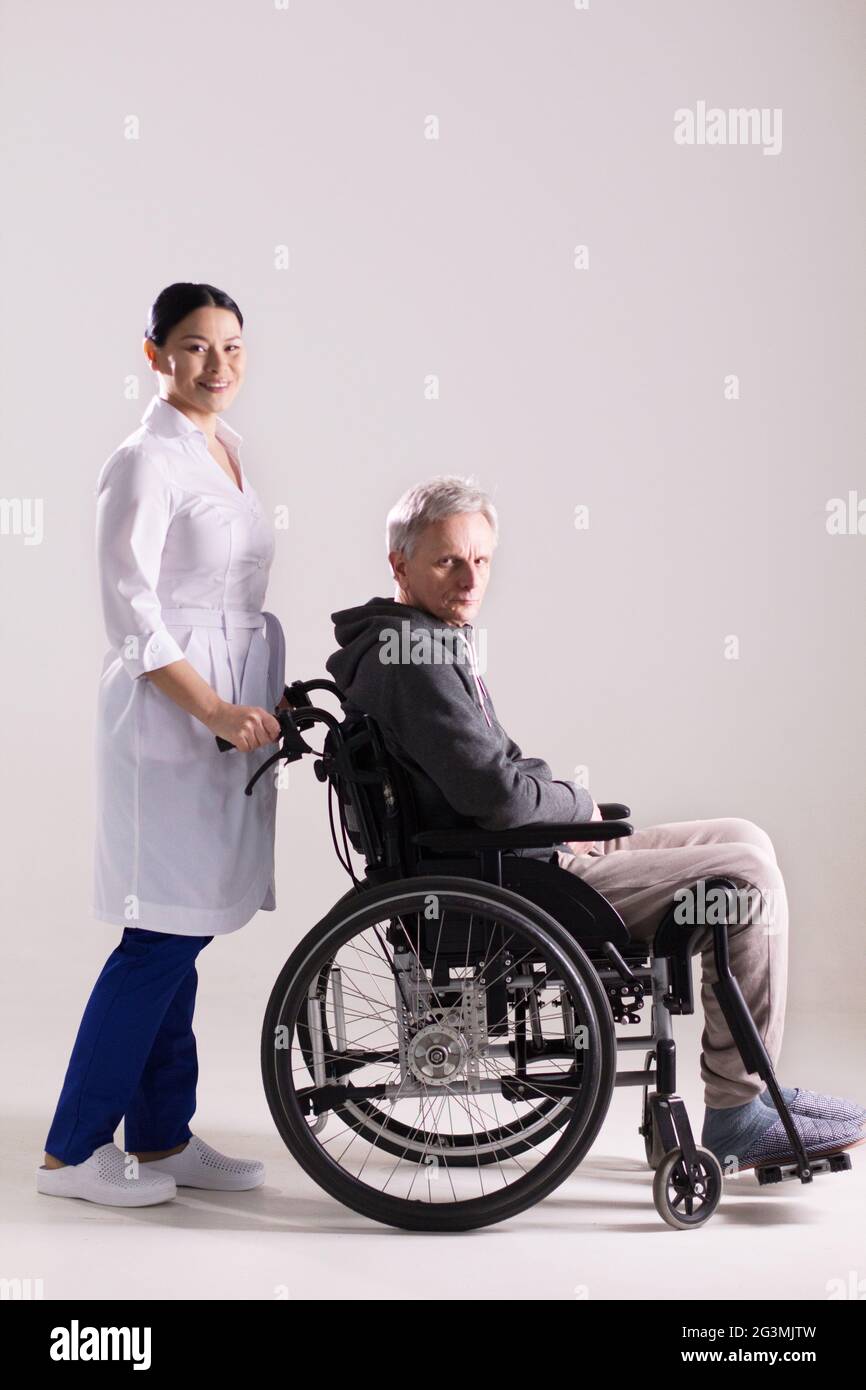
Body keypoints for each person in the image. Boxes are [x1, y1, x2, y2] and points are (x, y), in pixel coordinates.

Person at [325, 475, 866, 1173]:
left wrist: (560, 806)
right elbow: (497, 795)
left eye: (481, 560)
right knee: (746, 874)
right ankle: (735, 1109)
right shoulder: (415, 658)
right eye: (447, 561)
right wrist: (574, 809)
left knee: (745, 835)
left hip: (512, 856)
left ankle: (751, 1085)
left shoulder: (416, 640)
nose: (469, 579)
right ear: (398, 564)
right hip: (509, 880)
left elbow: (496, 772)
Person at [37, 282, 288, 1207]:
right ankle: (72, 1151)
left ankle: (160, 1133)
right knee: (156, 938)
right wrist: (215, 709)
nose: (215, 365)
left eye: (230, 347)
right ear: (154, 354)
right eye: (193, 347)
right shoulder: (144, 460)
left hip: (229, 718)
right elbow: (133, 614)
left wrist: (246, 706)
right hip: (168, 719)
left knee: (183, 930)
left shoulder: (226, 452)